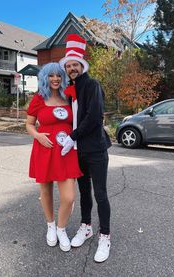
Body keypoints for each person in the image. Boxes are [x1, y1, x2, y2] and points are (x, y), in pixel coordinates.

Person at [59, 34, 112, 262]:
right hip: (77, 151)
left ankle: (105, 236)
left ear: (82, 65)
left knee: (100, 194)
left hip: (95, 149)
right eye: (68, 65)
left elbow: (93, 117)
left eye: (75, 65)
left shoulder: (92, 85)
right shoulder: (71, 90)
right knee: (83, 192)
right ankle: (86, 226)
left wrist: (73, 135)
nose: (72, 68)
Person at [26, 62, 83, 252]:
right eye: (51, 76)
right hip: (45, 149)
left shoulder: (69, 96)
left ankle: (61, 229)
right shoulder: (38, 99)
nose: (55, 79)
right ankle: (50, 226)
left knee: (69, 197)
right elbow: (29, 124)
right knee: (46, 191)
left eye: (58, 75)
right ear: (45, 78)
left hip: (66, 152)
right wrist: (38, 136)